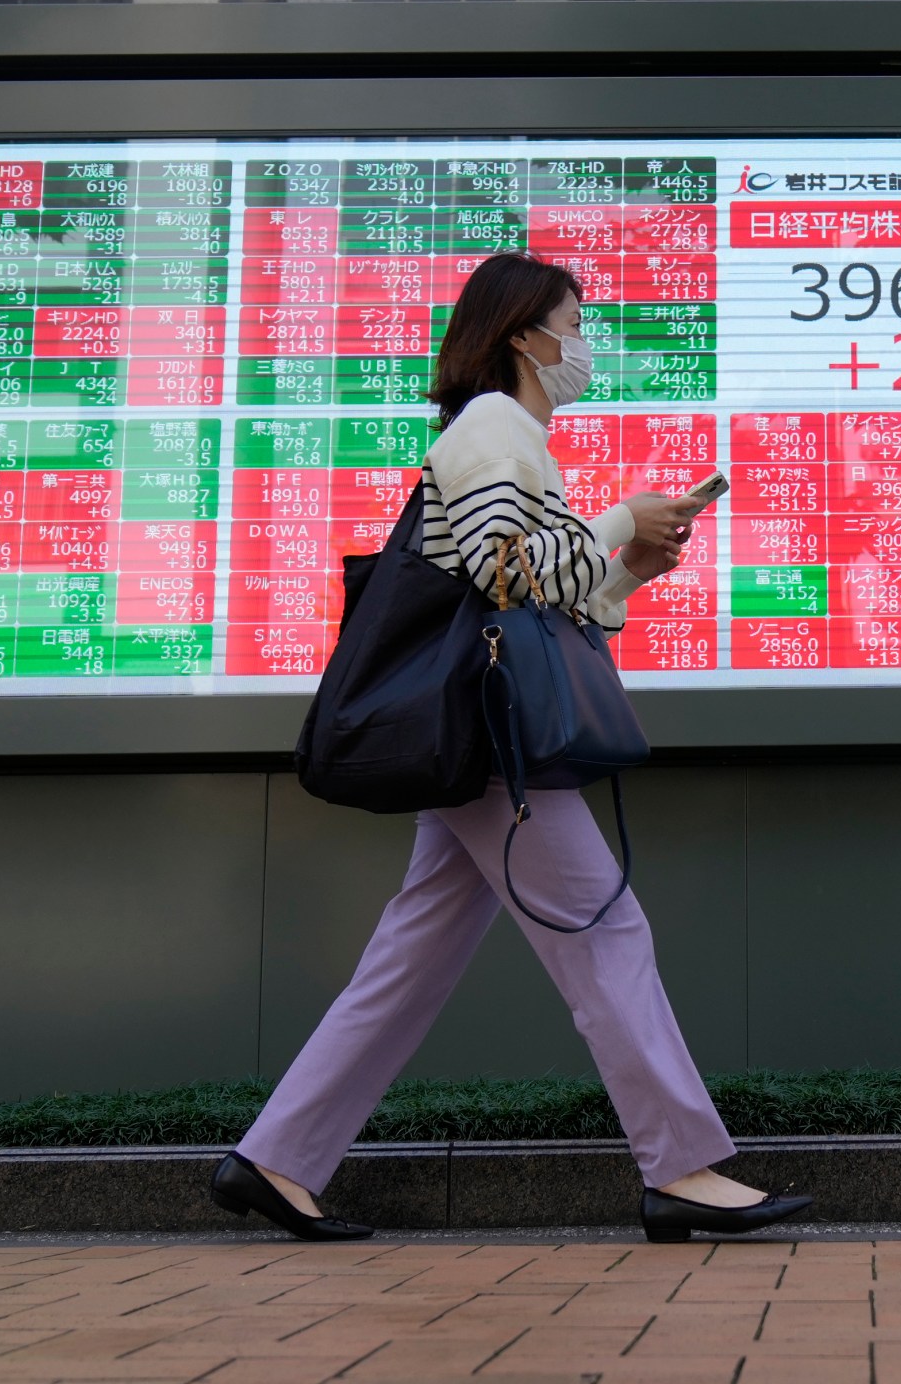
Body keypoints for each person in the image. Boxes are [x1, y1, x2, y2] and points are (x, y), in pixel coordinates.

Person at [211, 251, 809, 1245]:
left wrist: (627, 570)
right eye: (574, 321)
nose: (583, 343)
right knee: (605, 930)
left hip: (474, 739)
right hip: (489, 745)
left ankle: (275, 1160)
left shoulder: (513, 435)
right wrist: (620, 517)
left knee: (411, 958)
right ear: (524, 334)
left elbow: (551, 605)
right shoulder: (496, 425)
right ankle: (682, 1170)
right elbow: (504, 573)